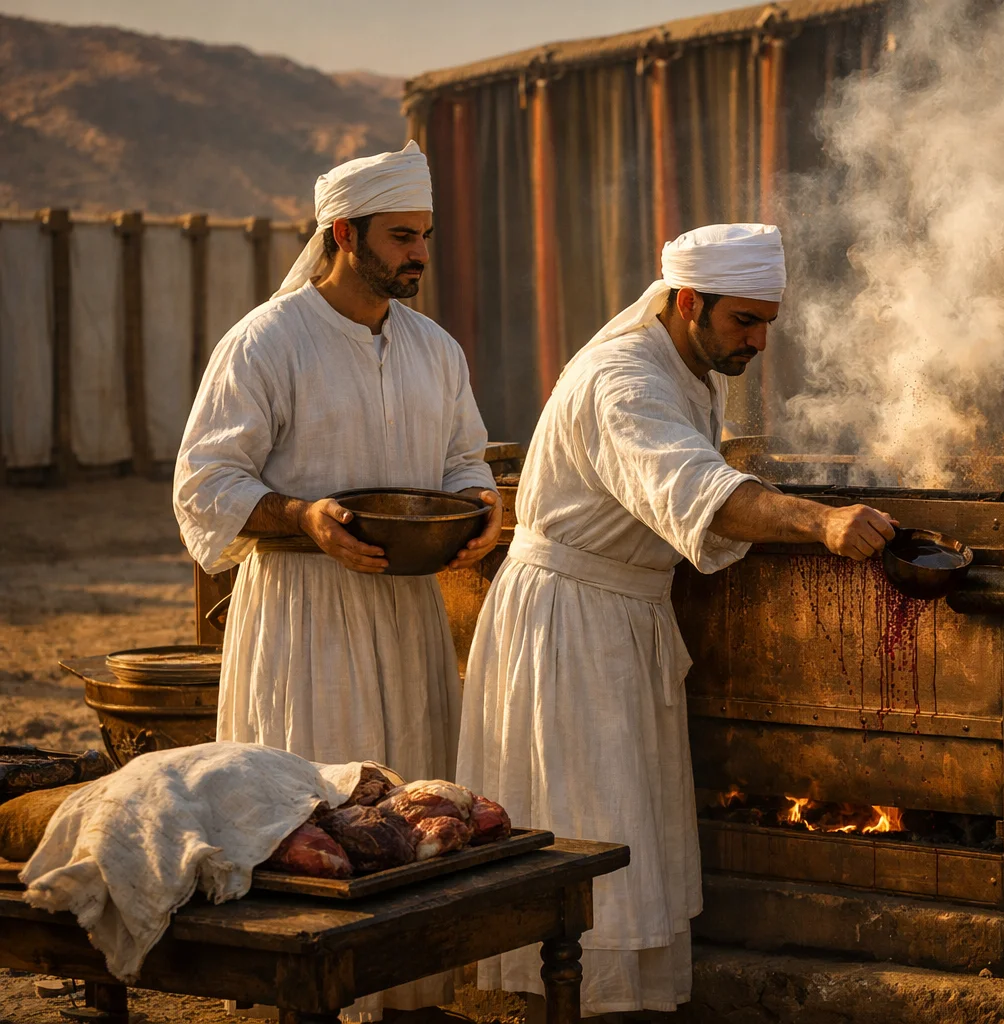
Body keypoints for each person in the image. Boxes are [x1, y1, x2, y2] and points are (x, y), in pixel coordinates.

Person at [456, 224, 895, 1019]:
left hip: (621, 615)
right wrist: (821, 523)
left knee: (626, 825)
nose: (759, 341)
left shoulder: (687, 362)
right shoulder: (623, 380)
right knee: (587, 824)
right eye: (744, 322)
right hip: (570, 624)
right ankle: (576, 1005)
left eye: (767, 323)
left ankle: (622, 1004)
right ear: (689, 300)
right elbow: (698, 488)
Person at [173, 143, 502, 1019]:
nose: (419, 255)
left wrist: (483, 503)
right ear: (343, 234)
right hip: (304, 618)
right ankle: (306, 997)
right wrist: (306, 518)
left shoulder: (435, 348)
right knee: (316, 817)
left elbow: (466, 456)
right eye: (401, 236)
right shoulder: (266, 341)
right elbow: (206, 485)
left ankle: (408, 991)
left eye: (425, 237)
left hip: (406, 612)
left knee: (414, 816)